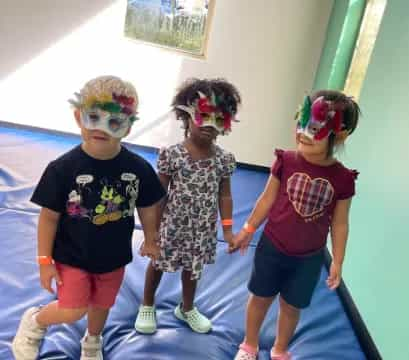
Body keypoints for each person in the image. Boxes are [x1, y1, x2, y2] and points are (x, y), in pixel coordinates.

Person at [12, 75, 165, 360]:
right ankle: (35, 321)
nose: (102, 128)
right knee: (72, 308)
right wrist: (45, 261)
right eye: (93, 117)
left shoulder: (139, 168)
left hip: (114, 256)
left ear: (128, 127)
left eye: (114, 122)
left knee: (102, 303)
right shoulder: (62, 169)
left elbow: (146, 205)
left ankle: (93, 340)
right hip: (72, 255)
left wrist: (151, 237)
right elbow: (48, 218)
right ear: (78, 117)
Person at [233, 90, 360, 360]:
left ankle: (280, 349)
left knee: (291, 307)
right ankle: (249, 344)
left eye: (314, 128)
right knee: (260, 298)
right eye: (301, 123)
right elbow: (267, 199)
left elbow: (340, 224)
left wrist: (337, 260)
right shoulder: (286, 161)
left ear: (339, 135)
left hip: (309, 258)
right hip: (272, 246)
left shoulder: (343, 179)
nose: (303, 132)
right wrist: (247, 229)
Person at [134, 78, 241, 335]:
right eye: (203, 115)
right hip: (172, 226)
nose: (209, 125)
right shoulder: (172, 154)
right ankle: (147, 303)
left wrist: (227, 230)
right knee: (158, 264)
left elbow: (225, 196)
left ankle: (187, 307)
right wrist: (152, 232)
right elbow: (159, 195)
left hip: (202, 229)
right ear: (186, 116)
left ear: (225, 124)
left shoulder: (223, 160)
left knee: (194, 269)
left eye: (218, 119)